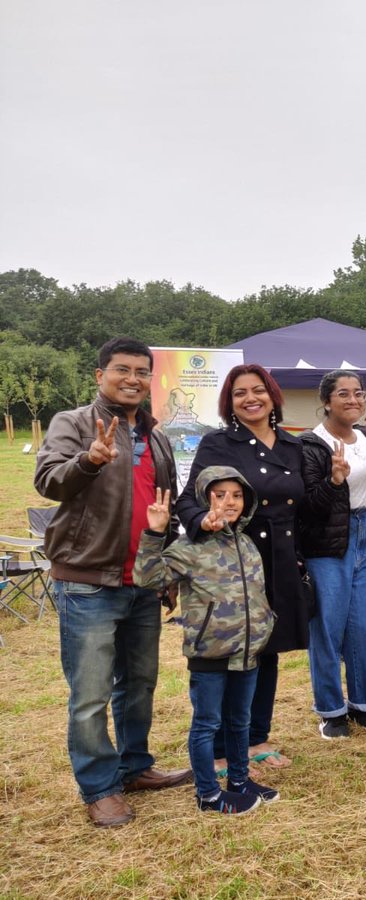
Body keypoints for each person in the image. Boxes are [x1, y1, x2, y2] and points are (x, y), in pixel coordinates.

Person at [33, 337, 192, 827]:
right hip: (88, 582)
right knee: (90, 694)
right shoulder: (75, 423)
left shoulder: (157, 436)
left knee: (139, 684)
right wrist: (90, 460)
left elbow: (163, 508)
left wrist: (166, 570)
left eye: (142, 371)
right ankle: (99, 787)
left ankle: (135, 766)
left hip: (142, 582)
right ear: (99, 374)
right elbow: (47, 480)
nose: (133, 379)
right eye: (122, 369)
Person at [175, 364, 306, 772]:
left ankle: (255, 738)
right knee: (230, 649)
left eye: (258, 390)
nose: (250, 399)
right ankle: (217, 747)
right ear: (228, 402)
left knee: (267, 648)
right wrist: (203, 522)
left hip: (281, 560)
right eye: (239, 393)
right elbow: (187, 500)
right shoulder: (218, 443)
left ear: (272, 395)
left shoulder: (291, 445)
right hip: (234, 560)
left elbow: (303, 505)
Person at [134, 468, 278, 815]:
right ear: (203, 499)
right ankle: (208, 794)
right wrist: (154, 533)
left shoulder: (246, 543)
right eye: (219, 495)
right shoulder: (189, 547)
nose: (229, 502)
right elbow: (148, 578)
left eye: (237, 495)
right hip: (210, 653)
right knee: (207, 724)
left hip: (247, 652)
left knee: (239, 721)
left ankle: (240, 781)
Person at [299, 371, 366, 739]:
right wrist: (333, 482)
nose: (353, 400)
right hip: (329, 541)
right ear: (326, 400)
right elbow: (307, 506)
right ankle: (331, 710)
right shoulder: (310, 444)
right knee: (329, 626)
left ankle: (363, 703)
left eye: (358, 393)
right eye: (343, 394)